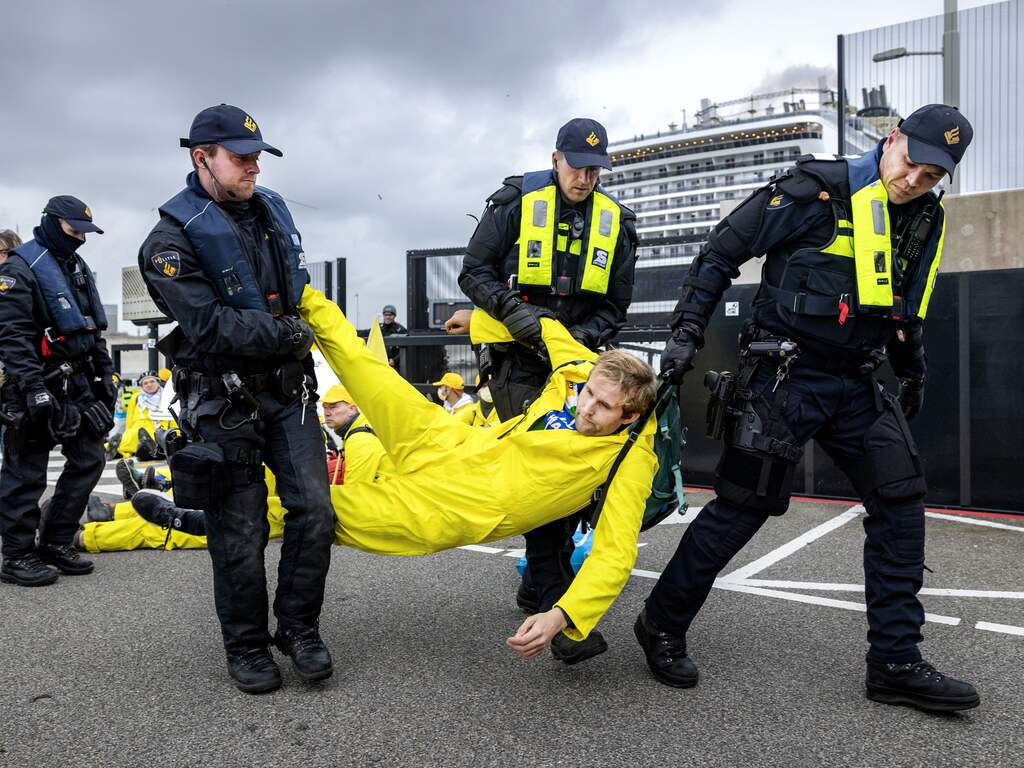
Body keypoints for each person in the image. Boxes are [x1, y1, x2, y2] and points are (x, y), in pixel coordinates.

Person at [640, 105, 979, 712]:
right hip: (783, 375)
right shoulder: (812, 191)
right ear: (892, 138)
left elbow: (906, 305)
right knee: (743, 508)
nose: (914, 180)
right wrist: (687, 332)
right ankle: (660, 623)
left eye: (932, 175)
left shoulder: (927, 218)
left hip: (857, 381)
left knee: (901, 500)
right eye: (912, 163)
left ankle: (895, 662)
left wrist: (912, 369)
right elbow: (721, 251)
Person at [133, 287, 659, 667]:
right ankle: (297, 290)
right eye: (589, 392)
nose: (588, 407)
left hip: (458, 505)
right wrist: (477, 321)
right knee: (370, 373)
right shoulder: (579, 369)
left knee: (327, 511)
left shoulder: (631, 456)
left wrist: (561, 617)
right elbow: (546, 329)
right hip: (451, 441)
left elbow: (615, 553)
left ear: (629, 417)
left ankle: (212, 521)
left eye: (603, 407)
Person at [137, 104, 335, 694]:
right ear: (202, 158)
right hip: (224, 403)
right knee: (239, 530)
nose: (253, 167)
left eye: (256, 157)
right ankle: (246, 645)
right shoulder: (168, 242)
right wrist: (288, 335)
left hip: (289, 391)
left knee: (317, 513)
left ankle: (298, 628)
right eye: (240, 157)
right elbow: (208, 324)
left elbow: (294, 291)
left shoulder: (269, 210)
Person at [458, 117, 639, 649]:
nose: (585, 178)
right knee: (545, 462)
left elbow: (616, 304)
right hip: (518, 360)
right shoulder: (514, 203)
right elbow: (474, 271)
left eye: (596, 169)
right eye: (577, 166)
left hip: (578, 361)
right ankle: (551, 601)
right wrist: (516, 315)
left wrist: (581, 337)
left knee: (569, 465)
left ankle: (540, 584)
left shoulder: (618, 223)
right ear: (555, 158)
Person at [0, 196, 116, 586]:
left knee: (89, 459)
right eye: (73, 231)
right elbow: (13, 337)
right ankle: (16, 554)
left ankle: (55, 540)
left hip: (79, 383)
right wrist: (32, 389)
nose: (81, 238)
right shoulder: (20, 269)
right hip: (36, 384)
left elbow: (92, 329)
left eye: (85, 232)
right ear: (51, 223)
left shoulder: (76, 267)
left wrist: (106, 378)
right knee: (25, 472)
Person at [117, 370, 173, 459]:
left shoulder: (166, 396)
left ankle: (147, 449)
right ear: (142, 386)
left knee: (154, 436)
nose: (149, 385)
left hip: (158, 426)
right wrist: (127, 431)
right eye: (145, 383)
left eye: (152, 381)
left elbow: (171, 416)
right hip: (138, 427)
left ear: (158, 382)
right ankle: (139, 449)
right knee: (130, 436)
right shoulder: (135, 398)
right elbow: (129, 417)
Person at [379, 304, 406, 369]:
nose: (388, 317)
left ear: (394, 316)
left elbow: (405, 349)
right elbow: (366, 333)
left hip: (395, 365)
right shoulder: (378, 328)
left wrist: (395, 360)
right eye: (386, 315)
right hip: (381, 363)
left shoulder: (401, 330)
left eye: (390, 315)